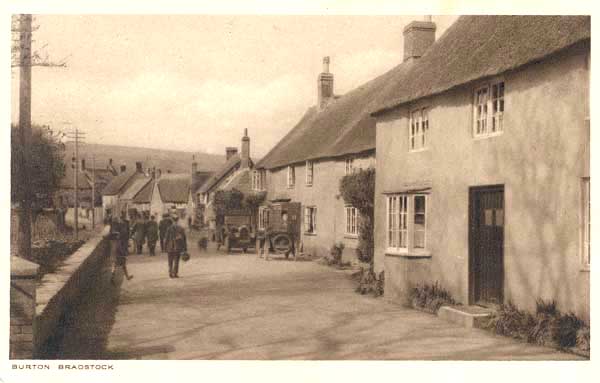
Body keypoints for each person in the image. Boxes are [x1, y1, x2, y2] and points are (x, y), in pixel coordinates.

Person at [109, 216, 133, 283]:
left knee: (114, 265)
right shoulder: (118, 241)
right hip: (119, 255)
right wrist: (124, 254)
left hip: (113, 254)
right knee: (123, 265)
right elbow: (120, 249)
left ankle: (112, 276)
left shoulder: (112, 241)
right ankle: (127, 276)